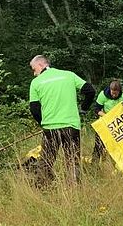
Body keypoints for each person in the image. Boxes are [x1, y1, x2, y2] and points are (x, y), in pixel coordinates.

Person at [27, 55, 95, 186]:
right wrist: (84, 108)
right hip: (71, 125)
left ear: (41, 65)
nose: (34, 73)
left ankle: (43, 188)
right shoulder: (69, 75)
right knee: (72, 160)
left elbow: (34, 109)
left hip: (50, 127)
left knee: (46, 160)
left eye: (34, 69)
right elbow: (90, 91)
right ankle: (74, 190)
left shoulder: (36, 82)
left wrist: (43, 122)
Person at [92, 79, 123, 160]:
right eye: (112, 93)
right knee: (99, 145)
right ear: (110, 90)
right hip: (104, 122)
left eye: (116, 94)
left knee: (115, 146)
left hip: (116, 124)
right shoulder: (103, 95)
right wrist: (107, 116)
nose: (114, 95)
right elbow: (96, 110)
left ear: (119, 91)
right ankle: (94, 163)